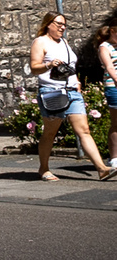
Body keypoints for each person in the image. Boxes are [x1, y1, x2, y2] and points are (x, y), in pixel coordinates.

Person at [30, 12, 113, 181]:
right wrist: (48, 64)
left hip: (72, 91)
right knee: (50, 133)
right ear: (48, 24)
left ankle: (102, 168)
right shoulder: (40, 42)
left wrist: (76, 81)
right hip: (52, 92)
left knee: (84, 130)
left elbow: (69, 67)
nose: (62, 27)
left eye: (64, 25)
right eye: (59, 24)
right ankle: (44, 168)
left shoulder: (64, 42)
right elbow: (34, 68)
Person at [96, 22, 117, 169]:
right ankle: (114, 157)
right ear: (112, 31)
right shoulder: (105, 47)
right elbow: (109, 66)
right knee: (116, 124)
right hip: (114, 87)